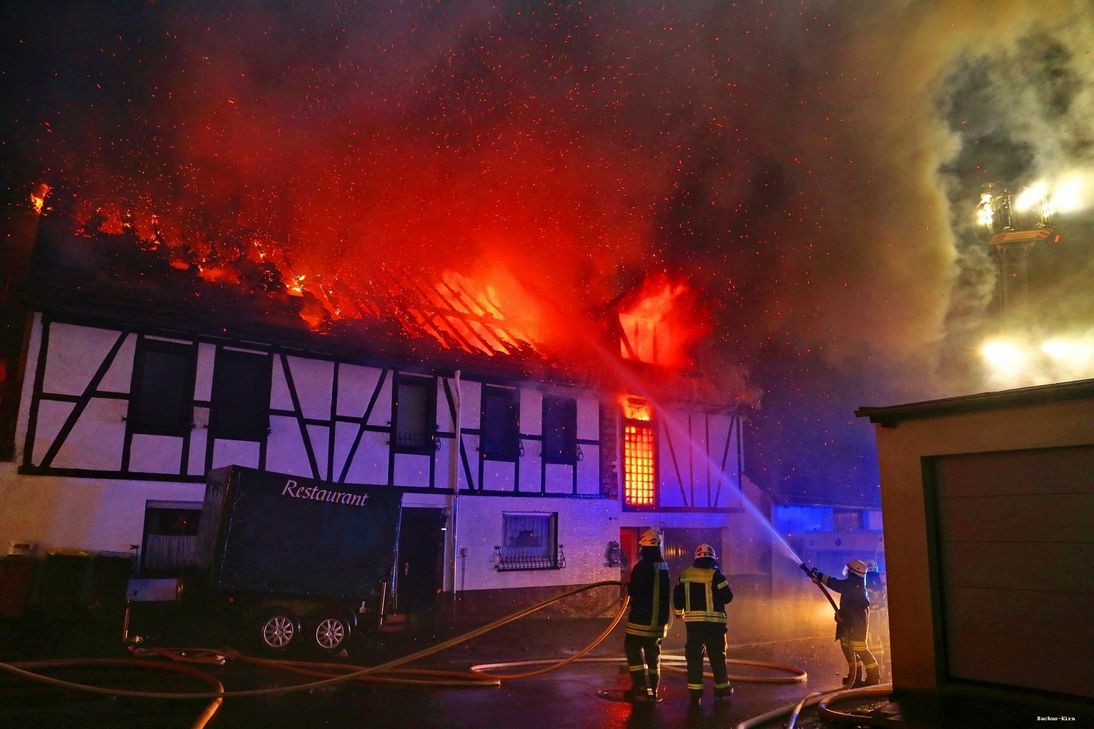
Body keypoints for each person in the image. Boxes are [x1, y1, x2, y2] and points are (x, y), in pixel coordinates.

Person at [673, 543, 734, 706]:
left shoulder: (685, 574)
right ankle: (722, 690)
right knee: (717, 657)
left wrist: (679, 613)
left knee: (694, 658)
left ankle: (695, 694)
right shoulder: (716, 575)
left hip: (694, 625)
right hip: (715, 625)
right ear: (712, 558)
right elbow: (728, 597)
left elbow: (678, 597)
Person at [809, 559, 880, 687]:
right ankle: (855, 678)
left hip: (856, 626)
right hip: (848, 624)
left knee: (861, 650)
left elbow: (835, 584)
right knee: (848, 649)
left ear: (853, 573)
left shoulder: (854, 584)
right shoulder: (854, 584)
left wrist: (819, 575)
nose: (846, 572)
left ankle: (873, 679)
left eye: (848, 570)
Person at [622, 529, 671, 701]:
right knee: (653, 656)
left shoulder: (641, 567)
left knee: (632, 649)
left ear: (644, 547)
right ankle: (653, 690)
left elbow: (634, 590)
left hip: (641, 620)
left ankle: (639, 686)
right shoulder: (664, 566)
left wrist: (628, 587)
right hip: (659, 622)